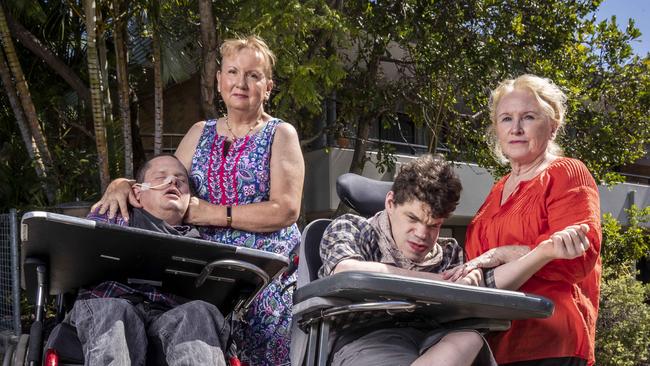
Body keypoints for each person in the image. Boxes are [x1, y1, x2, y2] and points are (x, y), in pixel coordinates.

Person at [92, 36, 304, 365]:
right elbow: (165, 182)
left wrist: (211, 214)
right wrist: (123, 184)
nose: (241, 82)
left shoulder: (280, 134)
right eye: (233, 72)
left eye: (253, 75)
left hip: (261, 276)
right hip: (200, 273)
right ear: (219, 81)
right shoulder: (199, 132)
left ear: (269, 86)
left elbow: (286, 210)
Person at [319, 154, 590, 366]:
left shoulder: (449, 253)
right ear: (390, 203)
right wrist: (440, 283)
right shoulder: (351, 228)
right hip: (369, 337)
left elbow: (486, 285)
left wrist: (541, 253)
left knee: (470, 339)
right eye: (412, 219)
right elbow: (346, 269)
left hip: (435, 340)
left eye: (434, 225)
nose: (422, 234)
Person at [455, 74, 602, 366]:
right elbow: (476, 261)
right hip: (492, 342)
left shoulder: (567, 173)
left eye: (529, 117)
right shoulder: (497, 189)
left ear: (553, 124)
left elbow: (575, 259)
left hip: (549, 341)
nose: (516, 128)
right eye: (506, 118)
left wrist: (505, 253)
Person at [69, 154, 229, 366]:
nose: (173, 181)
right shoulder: (113, 216)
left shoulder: (200, 242)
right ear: (137, 191)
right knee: (116, 310)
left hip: (166, 315)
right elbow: (73, 255)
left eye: (181, 181)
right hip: (108, 305)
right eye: (161, 177)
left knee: (200, 311)